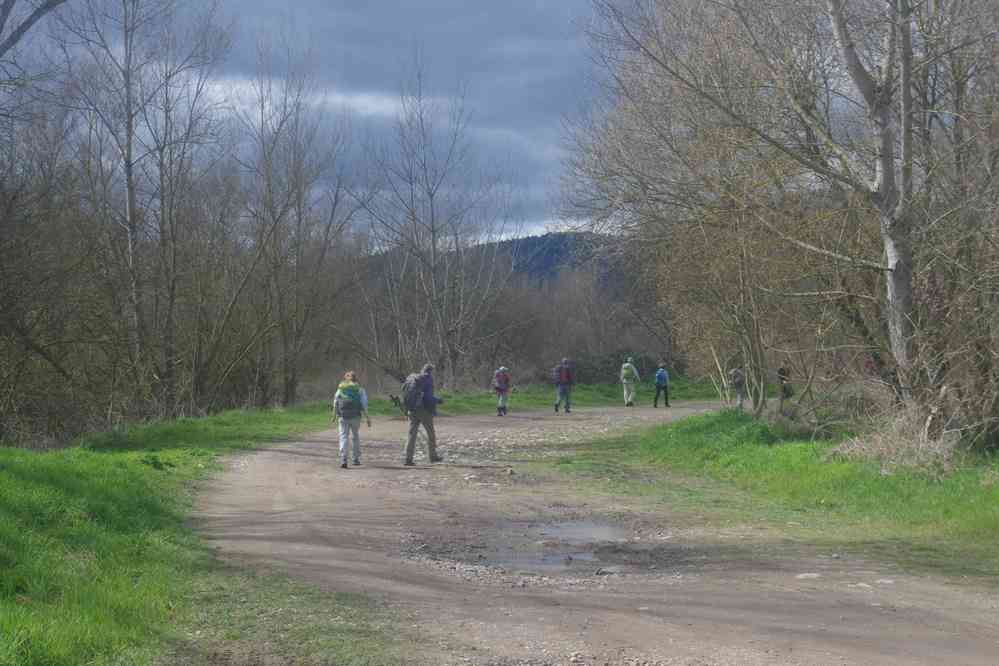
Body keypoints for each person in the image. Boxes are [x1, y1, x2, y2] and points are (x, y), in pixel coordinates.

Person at [403, 363, 443, 466]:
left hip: (411, 409)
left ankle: (408, 458)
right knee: (431, 434)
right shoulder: (427, 379)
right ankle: (433, 456)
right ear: (430, 371)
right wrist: (438, 400)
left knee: (411, 435)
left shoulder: (412, 378)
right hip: (424, 411)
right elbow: (428, 398)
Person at [331, 371, 371, 469]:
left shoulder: (341, 389)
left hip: (343, 416)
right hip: (355, 417)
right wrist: (367, 418)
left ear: (345, 379)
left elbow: (335, 402)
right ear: (355, 379)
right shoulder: (360, 389)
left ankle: (343, 459)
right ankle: (355, 459)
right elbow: (364, 404)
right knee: (355, 436)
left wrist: (334, 415)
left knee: (343, 436)